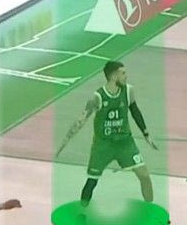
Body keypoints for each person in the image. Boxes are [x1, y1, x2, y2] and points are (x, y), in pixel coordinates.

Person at [57, 61, 158, 207]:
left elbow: (135, 111)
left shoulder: (128, 91)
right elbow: (81, 120)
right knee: (92, 181)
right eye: (123, 73)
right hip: (103, 145)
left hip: (125, 142)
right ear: (113, 76)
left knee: (144, 175)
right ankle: (82, 211)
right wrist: (65, 141)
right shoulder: (98, 97)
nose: (126, 76)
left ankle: (150, 210)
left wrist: (146, 134)